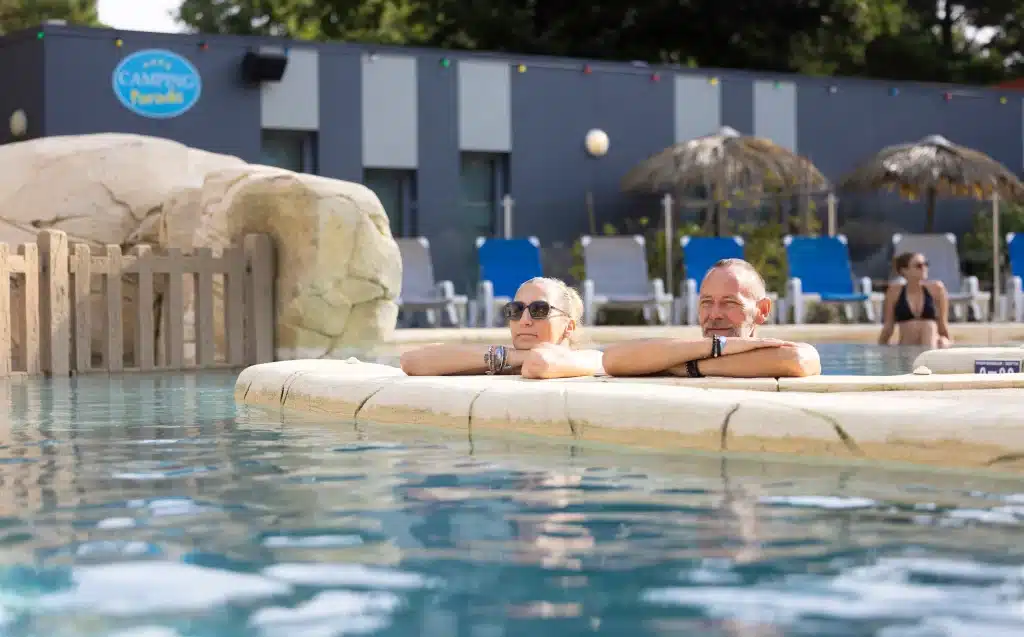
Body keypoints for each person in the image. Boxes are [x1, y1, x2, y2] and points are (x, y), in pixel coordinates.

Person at [602, 258, 822, 378]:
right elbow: (611, 359)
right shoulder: (682, 351)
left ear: (762, 310)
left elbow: (798, 360)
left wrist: (693, 367)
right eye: (707, 302)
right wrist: (715, 348)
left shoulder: (777, 352)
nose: (715, 314)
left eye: (730, 303)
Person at [399, 277, 605, 379]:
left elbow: (540, 363)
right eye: (516, 310)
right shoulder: (505, 359)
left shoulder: (591, 358)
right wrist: (505, 357)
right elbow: (410, 361)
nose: (525, 320)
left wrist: (504, 358)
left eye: (540, 310)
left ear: (568, 326)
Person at [878, 252, 953, 349]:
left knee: (929, 327)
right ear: (904, 270)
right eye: (919, 266)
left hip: (932, 345)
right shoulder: (894, 292)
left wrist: (948, 343)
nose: (924, 268)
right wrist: (879, 351)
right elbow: (888, 328)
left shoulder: (937, 289)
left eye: (926, 264)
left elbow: (943, 325)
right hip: (906, 347)